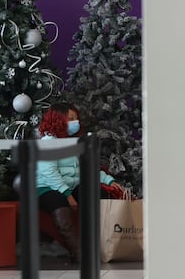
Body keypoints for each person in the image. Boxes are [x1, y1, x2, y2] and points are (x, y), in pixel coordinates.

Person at [36, 103, 124, 262]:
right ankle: (78, 253)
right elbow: (49, 173)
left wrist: (108, 181)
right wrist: (67, 195)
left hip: (70, 185)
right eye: (70, 119)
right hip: (46, 187)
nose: (75, 122)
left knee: (98, 192)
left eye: (76, 119)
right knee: (58, 201)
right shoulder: (48, 142)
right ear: (59, 119)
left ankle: (101, 243)